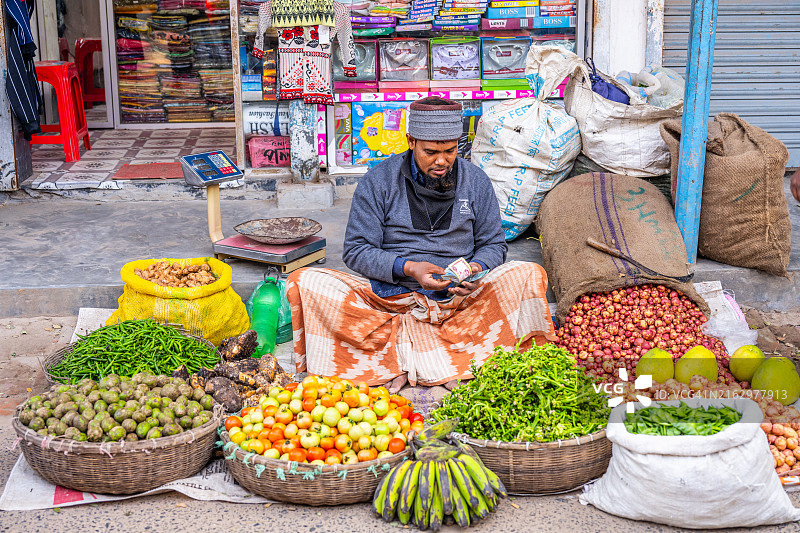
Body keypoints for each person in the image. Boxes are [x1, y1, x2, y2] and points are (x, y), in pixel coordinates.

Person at [286, 96, 555, 393]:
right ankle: (448, 355)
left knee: (528, 273)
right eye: (431, 152)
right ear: (410, 141)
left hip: (458, 301)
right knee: (304, 281)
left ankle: (399, 354)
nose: (442, 161)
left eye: (450, 151)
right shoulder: (378, 181)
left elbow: (494, 244)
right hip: (388, 301)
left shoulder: (477, 181)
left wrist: (475, 270)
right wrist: (409, 268)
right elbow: (356, 249)